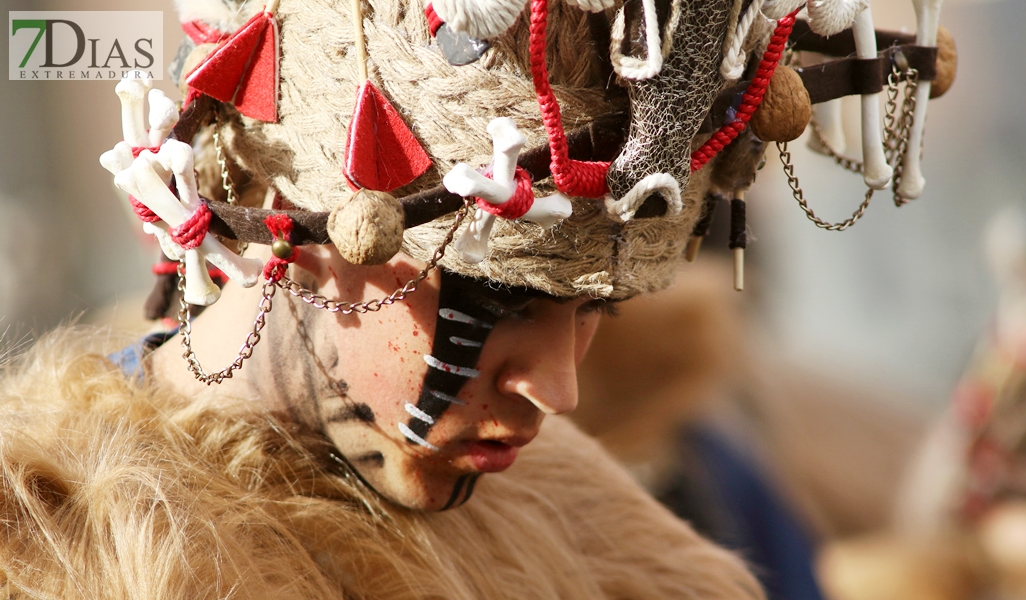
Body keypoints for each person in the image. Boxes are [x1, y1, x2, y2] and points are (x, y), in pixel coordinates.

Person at [0, 0, 951, 596]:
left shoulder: (604, 549)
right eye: (500, 300)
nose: (563, 392)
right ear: (296, 227)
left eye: (593, 311)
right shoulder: (55, 549)